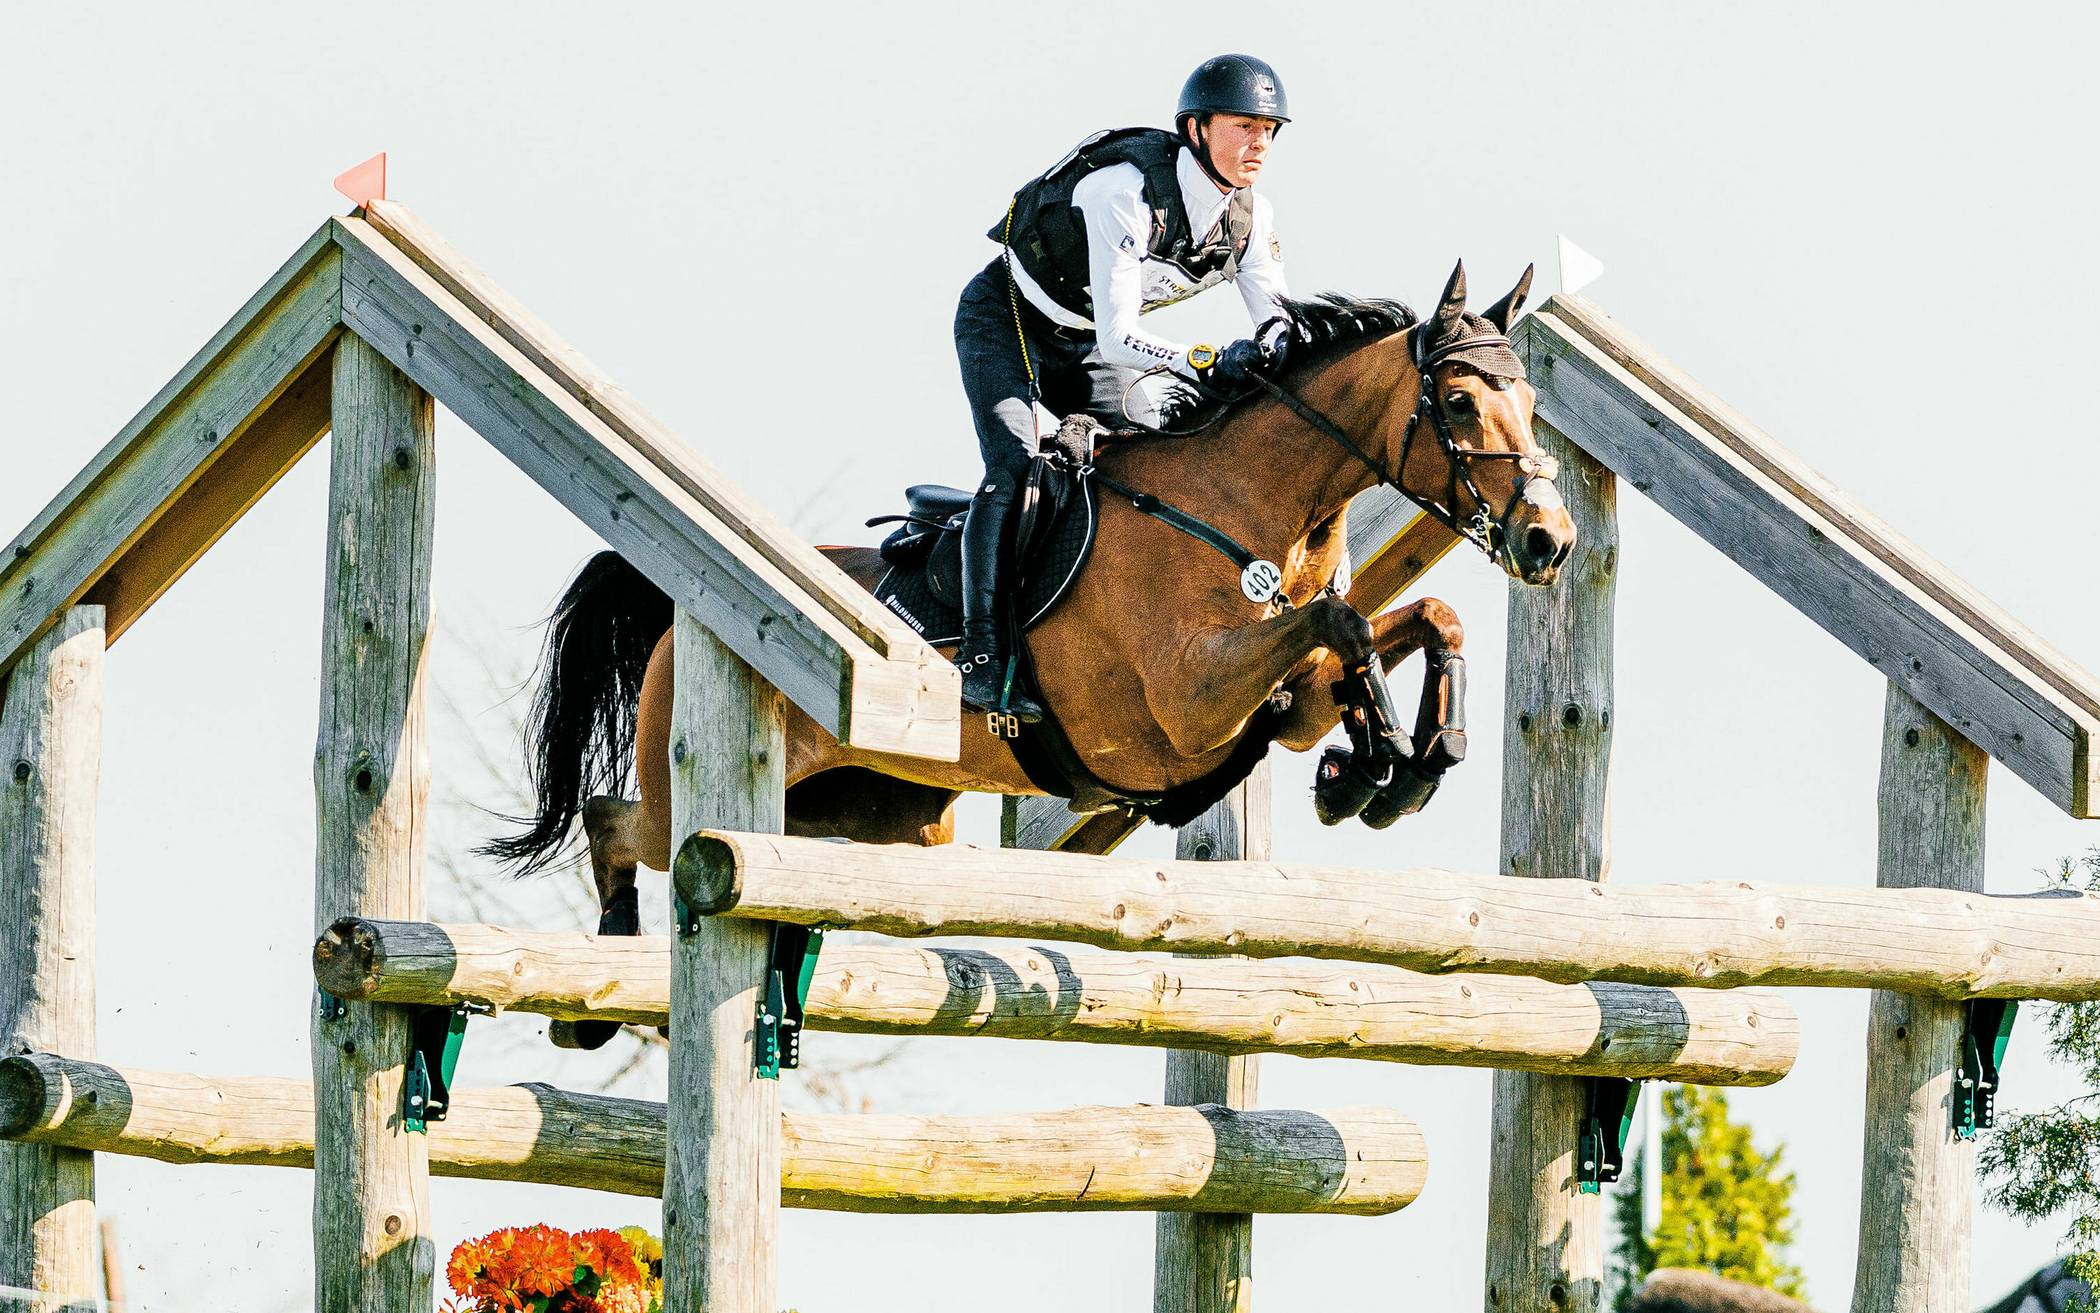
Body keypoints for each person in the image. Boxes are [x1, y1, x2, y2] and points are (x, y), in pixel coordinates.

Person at [952, 53, 1297, 719]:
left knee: (1154, 467)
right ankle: (982, 651)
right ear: (1195, 129)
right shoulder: (1125, 194)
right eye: (1244, 127)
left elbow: (1278, 322)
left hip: (1081, 345)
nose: (1259, 144)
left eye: (1269, 130)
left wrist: (1279, 358)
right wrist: (1205, 359)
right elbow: (1120, 337)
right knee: (1016, 464)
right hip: (1010, 320)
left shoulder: (1252, 221)